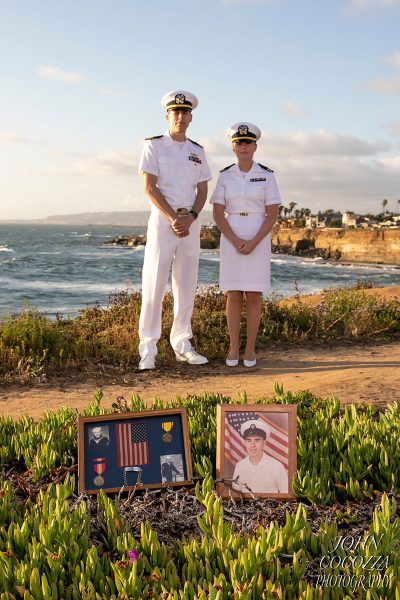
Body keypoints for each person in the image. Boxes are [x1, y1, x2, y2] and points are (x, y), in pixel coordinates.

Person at [137, 90, 212, 370]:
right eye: (175, 112)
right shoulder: (154, 146)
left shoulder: (198, 151)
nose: (180, 117)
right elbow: (149, 187)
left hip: (190, 224)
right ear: (167, 116)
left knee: (186, 285)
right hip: (163, 221)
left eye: (185, 113)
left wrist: (191, 217)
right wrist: (173, 217)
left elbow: (203, 190)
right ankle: (148, 349)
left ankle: (182, 344)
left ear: (191, 118)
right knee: (154, 284)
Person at [210, 123, 281, 367]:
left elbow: (272, 213)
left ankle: (249, 349)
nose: (243, 146)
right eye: (239, 142)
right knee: (233, 294)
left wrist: (253, 242)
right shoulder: (225, 175)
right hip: (232, 236)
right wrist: (236, 240)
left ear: (255, 146)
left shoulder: (267, 175)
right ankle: (233, 348)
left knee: (253, 294)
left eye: (248, 142)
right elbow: (218, 213)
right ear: (233, 147)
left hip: (258, 236)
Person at [232, 420, 288, 494]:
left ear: (264, 443)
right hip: (245, 505)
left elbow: (286, 493)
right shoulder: (240, 466)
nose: (252, 445)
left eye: (257, 440)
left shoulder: (276, 466)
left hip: (270, 505)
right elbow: (236, 493)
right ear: (245, 443)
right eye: (249, 440)